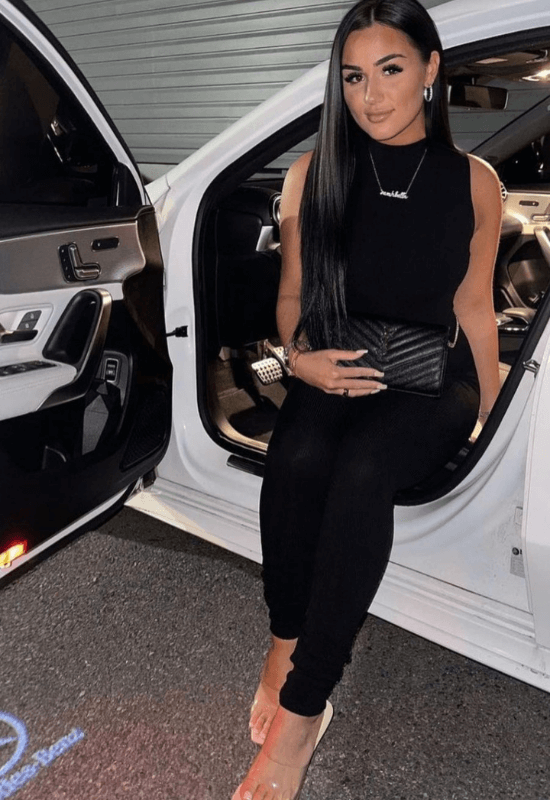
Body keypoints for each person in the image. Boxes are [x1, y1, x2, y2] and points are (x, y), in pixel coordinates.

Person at [232, 0, 502, 797]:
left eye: (390, 70)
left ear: (430, 69)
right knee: (299, 454)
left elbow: (475, 310)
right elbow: (291, 298)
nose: (370, 95)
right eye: (353, 77)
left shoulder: (475, 182)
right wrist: (298, 361)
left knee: (361, 471)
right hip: (337, 361)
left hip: (432, 380)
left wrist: (491, 416)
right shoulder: (312, 173)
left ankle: (302, 709)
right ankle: (284, 639)